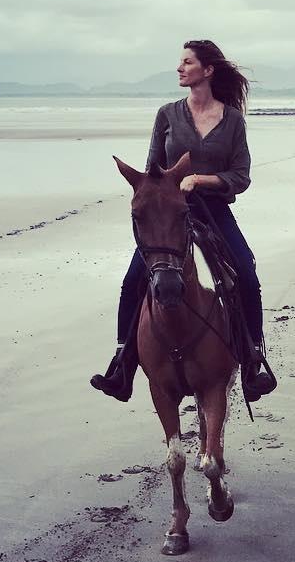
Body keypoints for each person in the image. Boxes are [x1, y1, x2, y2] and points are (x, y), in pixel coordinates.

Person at [90, 39, 276, 403]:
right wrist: (158, 193)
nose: (179, 68)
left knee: (246, 274)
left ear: (207, 71)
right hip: (170, 214)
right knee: (133, 281)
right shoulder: (167, 114)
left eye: (187, 62)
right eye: (180, 62)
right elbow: (153, 170)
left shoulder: (233, 120)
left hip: (213, 210)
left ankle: (253, 360)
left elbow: (241, 175)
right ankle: (122, 365)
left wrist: (201, 180)